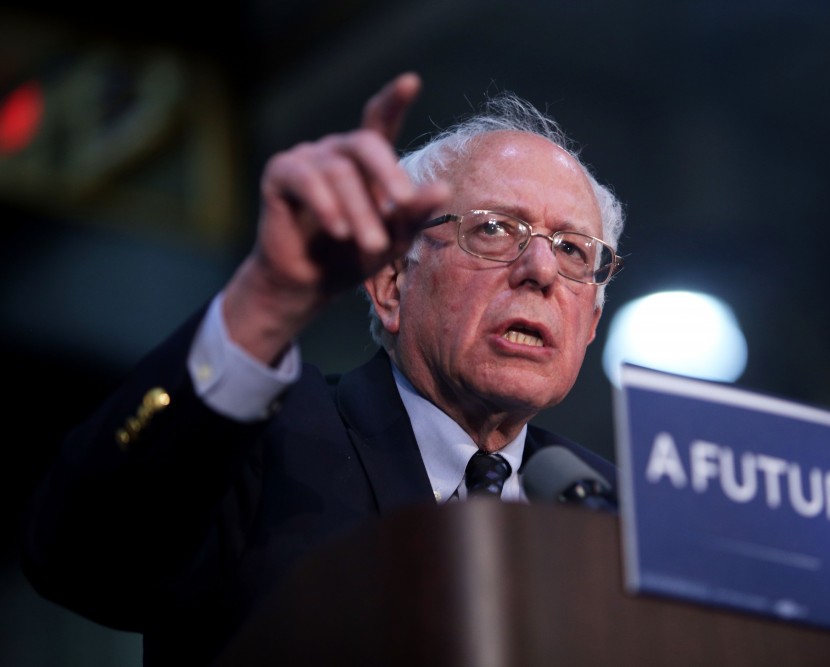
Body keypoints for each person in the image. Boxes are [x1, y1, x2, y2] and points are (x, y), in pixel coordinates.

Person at [20, 71, 626, 665]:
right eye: (495, 229)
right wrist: (266, 300)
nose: (542, 271)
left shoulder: (614, 513)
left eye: (573, 249)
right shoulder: (263, 440)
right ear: (391, 283)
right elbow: (79, 556)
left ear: (592, 323)